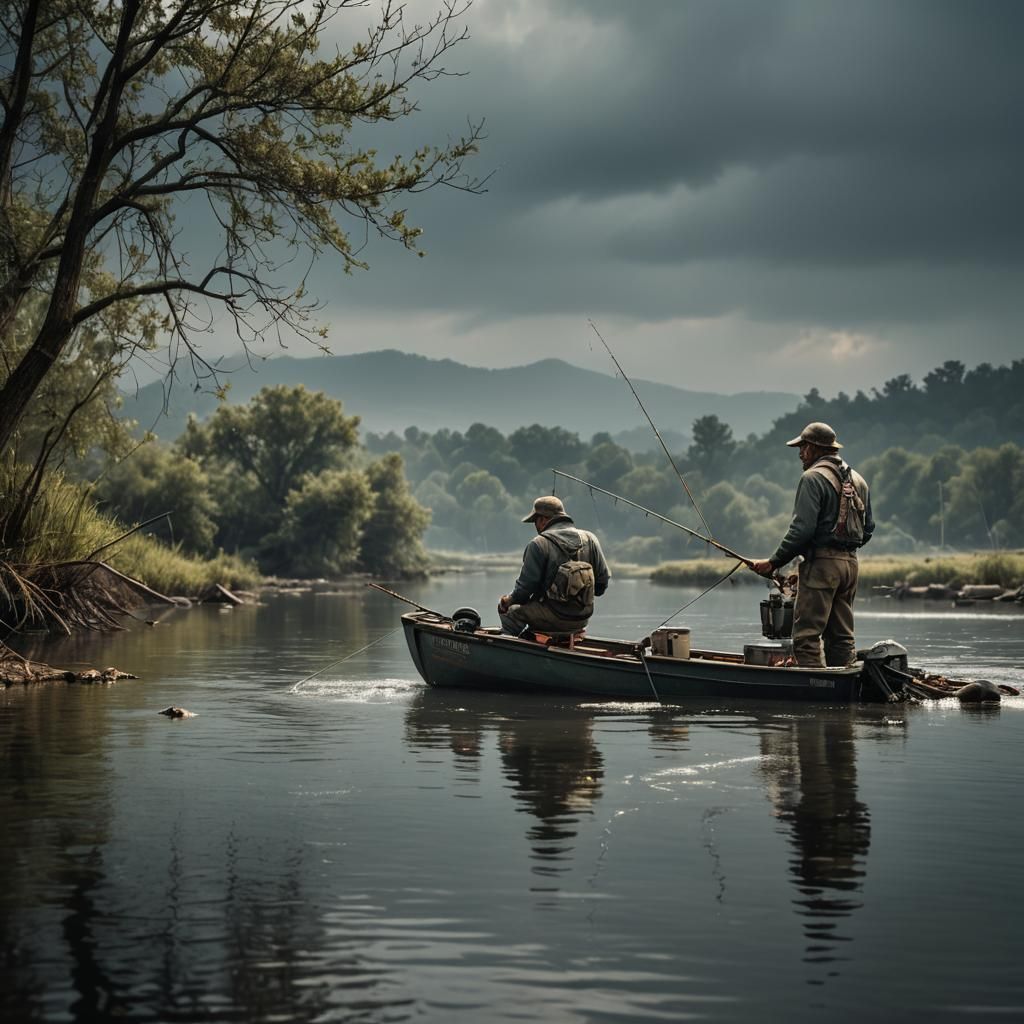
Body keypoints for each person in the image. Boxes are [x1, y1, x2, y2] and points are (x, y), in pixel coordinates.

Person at [750, 422, 874, 667]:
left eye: (803, 447)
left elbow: (801, 530)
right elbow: (868, 529)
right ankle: (844, 684)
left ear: (815, 448)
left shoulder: (812, 478)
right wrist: (844, 551)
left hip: (822, 566)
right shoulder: (859, 480)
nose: (800, 453)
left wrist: (773, 562)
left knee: (806, 636)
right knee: (841, 636)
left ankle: (814, 685)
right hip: (850, 566)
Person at [498, 495, 610, 637]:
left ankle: (510, 646)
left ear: (542, 520)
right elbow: (601, 586)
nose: (536, 526)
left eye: (535, 521)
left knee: (510, 611)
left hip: (553, 618)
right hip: (582, 619)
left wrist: (507, 601)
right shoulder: (590, 539)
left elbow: (523, 592)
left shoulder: (538, 544)